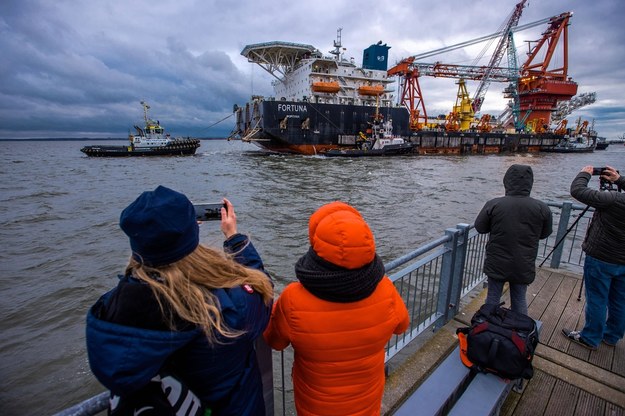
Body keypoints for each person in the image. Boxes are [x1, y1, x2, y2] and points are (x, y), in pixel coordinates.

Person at [86, 185, 273, 415]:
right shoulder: (227, 308)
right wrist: (233, 237)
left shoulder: (110, 311)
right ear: (192, 231)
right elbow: (262, 292)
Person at [263, 201, 409, 416]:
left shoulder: (293, 298)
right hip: (366, 401)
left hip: (316, 406)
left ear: (317, 247)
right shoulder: (385, 288)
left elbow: (274, 340)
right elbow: (401, 326)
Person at [474, 164, 553, 315]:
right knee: (519, 299)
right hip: (523, 262)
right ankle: (520, 332)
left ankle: (489, 330)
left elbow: (480, 227)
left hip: (497, 262)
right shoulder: (542, 208)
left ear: (507, 181)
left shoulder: (494, 204)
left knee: (492, 298)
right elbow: (544, 234)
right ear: (530, 183)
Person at [562, 165, 625, 350]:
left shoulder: (613, 200)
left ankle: (590, 337)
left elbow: (578, 190)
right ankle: (612, 336)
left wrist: (585, 173)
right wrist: (619, 180)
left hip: (602, 258)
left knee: (597, 299)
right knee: (620, 300)